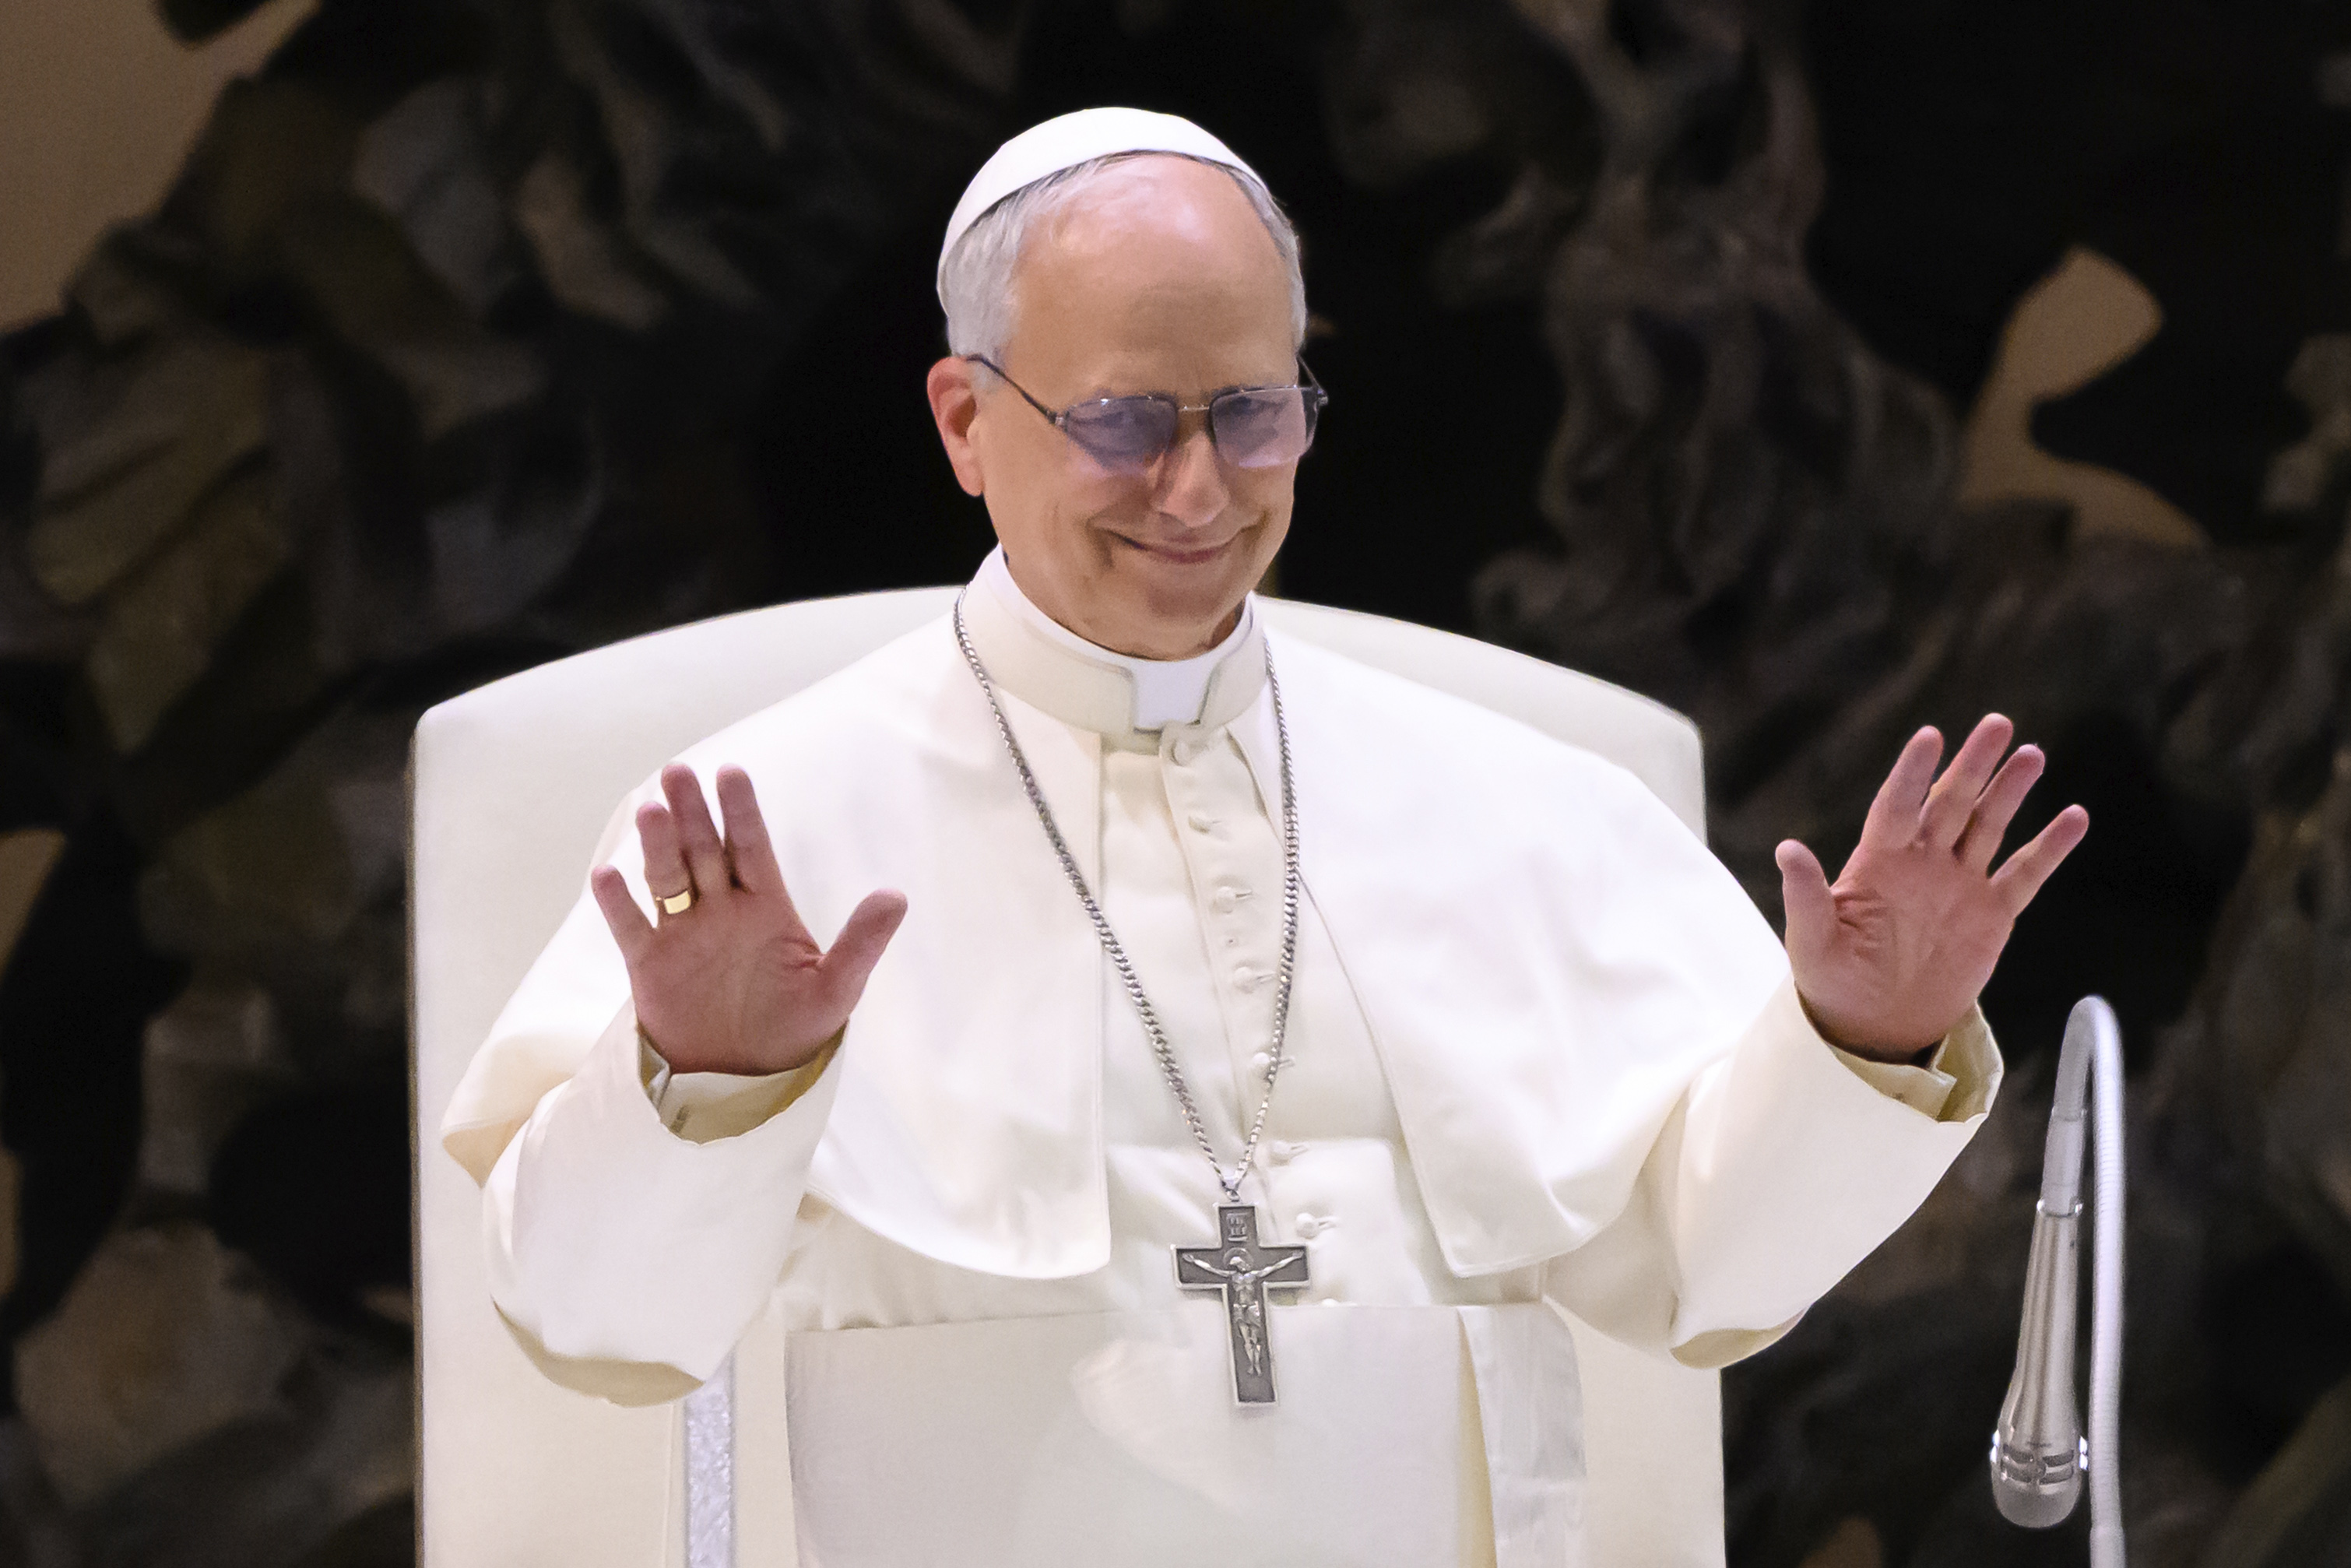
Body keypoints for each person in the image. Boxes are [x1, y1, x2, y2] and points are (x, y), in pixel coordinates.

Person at [441, 107, 2087, 1566]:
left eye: (1251, 413)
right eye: (1121, 422)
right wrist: (704, 1085)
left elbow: (1704, 1275)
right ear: (963, 420)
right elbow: (600, 1322)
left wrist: (1858, 1040)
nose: (1195, 489)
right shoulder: (773, 823)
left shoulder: (1519, 797)